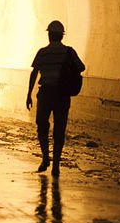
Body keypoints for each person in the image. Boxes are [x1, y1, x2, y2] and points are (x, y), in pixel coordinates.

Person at [27, 20, 86, 176]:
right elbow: (82, 67)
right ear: (61, 36)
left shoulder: (42, 52)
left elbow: (34, 73)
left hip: (45, 94)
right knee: (59, 129)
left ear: (49, 35)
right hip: (62, 95)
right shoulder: (69, 52)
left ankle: (46, 157)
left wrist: (28, 95)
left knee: (42, 125)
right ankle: (56, 165)